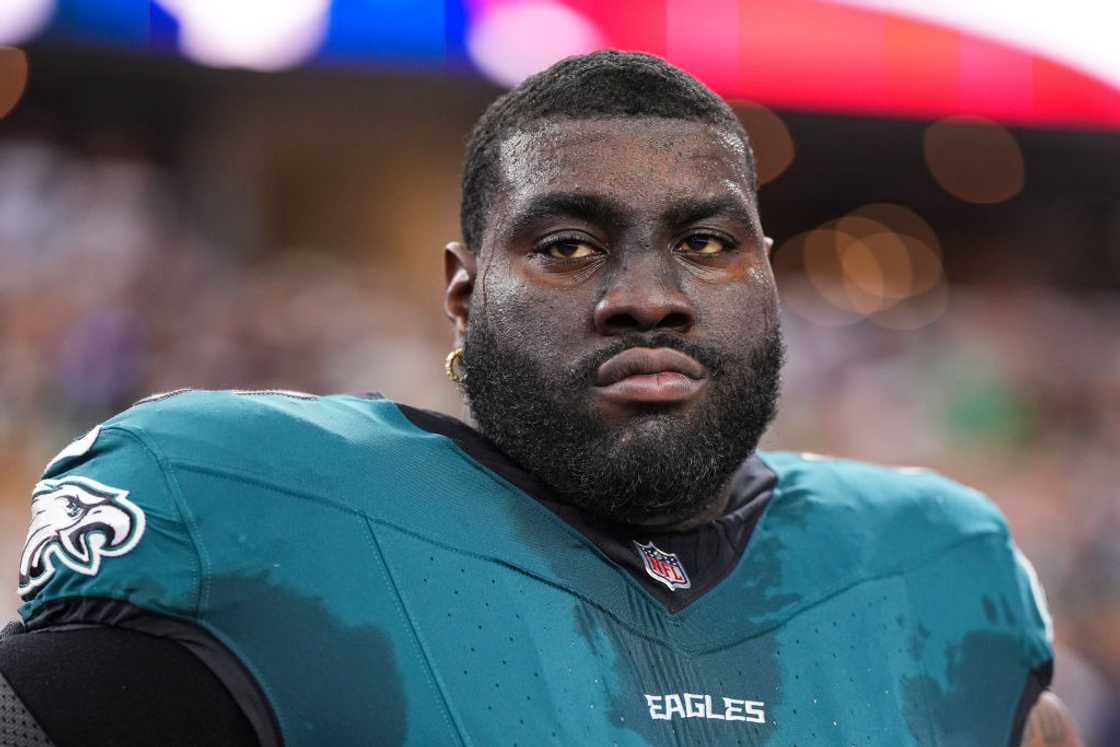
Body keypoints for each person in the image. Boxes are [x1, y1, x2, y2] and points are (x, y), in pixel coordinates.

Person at [0, 50, 1081, 746]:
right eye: (567, 246)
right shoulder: (247, 508)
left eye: (705, 245)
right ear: (464, 297)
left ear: (765, 275)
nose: (648, 297)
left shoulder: (939, 568)